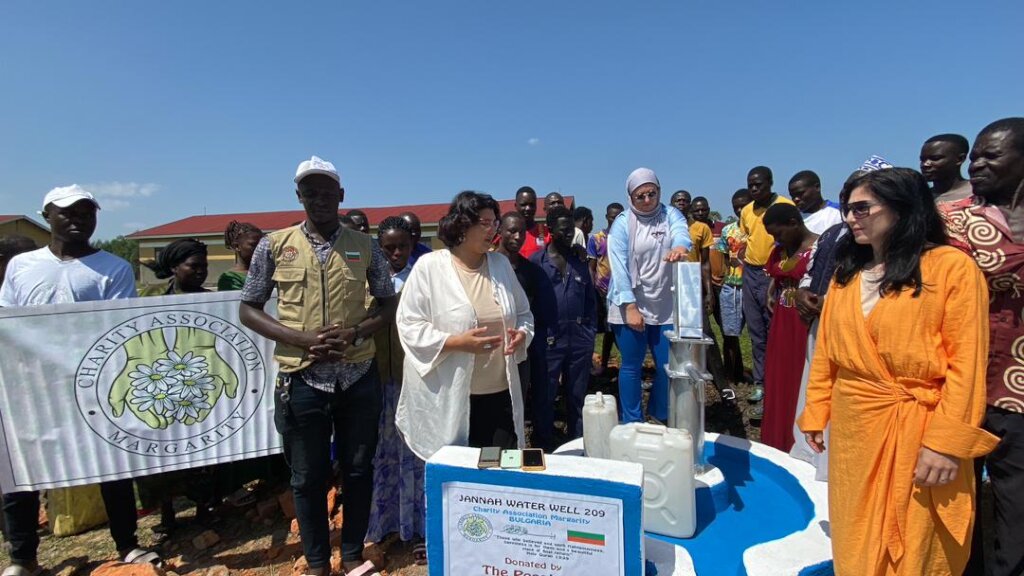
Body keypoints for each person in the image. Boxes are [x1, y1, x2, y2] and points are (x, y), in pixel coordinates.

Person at [798, 167, 998, 576]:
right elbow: (828, 355)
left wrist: (946, 444)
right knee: (855, 528)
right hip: (856, 428)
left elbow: (967, 366)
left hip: (920, 431)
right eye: (848, 210)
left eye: (862, 208)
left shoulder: (951, 269)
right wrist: (816, 410)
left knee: (916, 538)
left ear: (903, 208)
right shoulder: (846, 275)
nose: (851, 218)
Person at [239, 156, 396, 576]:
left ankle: (350, 555)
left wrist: (357, 333)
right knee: (307, 478)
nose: (320, 199)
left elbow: (387, 305)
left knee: (359, 469)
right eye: (311, 192)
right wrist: (302, 339)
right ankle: (315, 562)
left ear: (341, 196)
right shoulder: (274, 245)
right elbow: (248, 309)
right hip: (301, 378)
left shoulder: (366, 246)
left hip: (358, 376)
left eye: (328, 192)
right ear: (299, 196)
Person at [0, 185, 161, 573]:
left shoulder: (114, 268)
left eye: (87, 214)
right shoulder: (23, 267)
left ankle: (128, 545)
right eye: (67, 213)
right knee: (22, 471)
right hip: (32, 388)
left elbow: (121, 327)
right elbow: (8, 322)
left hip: (95, 386)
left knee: (112, 466)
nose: (78, 220)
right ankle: (23, 558)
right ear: (47, 216)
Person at [395, 190, 533, 463]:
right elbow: (409, 324)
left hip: (499, 394)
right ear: (462, 224)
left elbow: (524, 313)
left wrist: (522, 335)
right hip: (455, 398)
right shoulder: (430, 267)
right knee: (459, 476)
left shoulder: (500, 264)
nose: (491, 229)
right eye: (484, 222)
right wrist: (457, 343)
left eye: (494, 222)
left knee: (496, 469)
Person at [948, 118, 1024, 576]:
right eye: (975, 154)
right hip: (960, 381)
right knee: (957, 497)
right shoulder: (951, 219)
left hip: (1018, 388)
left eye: (991, 155)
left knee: (1017, 502)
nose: (977, 164)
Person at [608, 168, 691, 424]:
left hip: (665, 303)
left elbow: (681, 233)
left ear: (659, 191)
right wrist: (630, 306)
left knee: (668, 366)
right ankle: (632, 419)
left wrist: (680, 246)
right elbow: (619, 267)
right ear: (630, 197)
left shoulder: (671, 215)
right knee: (631, 365)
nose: (646, 201)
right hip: (629, 303)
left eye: (651, 194)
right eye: (639, 196)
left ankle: (659, 412)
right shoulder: (622, 223)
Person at [365, 216, 425, 559]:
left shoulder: (420, 280)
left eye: (402, 246)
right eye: (388, 247)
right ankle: (384, 525)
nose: (396, 253)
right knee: (380, 455)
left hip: (412, 383)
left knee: (414, 453)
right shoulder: (368, 282)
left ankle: (417, 525)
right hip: (376, 383)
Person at [530, 206, 597, 450]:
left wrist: (590, 335)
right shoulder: (537, 263)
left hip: (579, 340)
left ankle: (576, 447)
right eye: (564, 230)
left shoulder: (580, 261)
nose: (569, 234)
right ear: (550, 231)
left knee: (576, 397)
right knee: (545, 397)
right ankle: (543, 447)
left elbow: (590, 301)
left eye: (571, 229)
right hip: (548, 340)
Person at [759, 204, 816, 450]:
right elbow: (776, 276)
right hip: (782, 319)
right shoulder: (781, 250)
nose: (776, 240)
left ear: (794, 223)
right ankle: (777, 438)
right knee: (778, 378)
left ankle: (799, 441)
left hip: (804, 323)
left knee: (799, 378)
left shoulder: (818, 248)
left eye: (778, 234)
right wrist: (771, 292)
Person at [739, 166, 795, 407]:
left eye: (758, 185)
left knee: (776, 329)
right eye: (750, 185)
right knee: (756, 332)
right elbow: (746, 239)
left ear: (770, 183)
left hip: (775, 272)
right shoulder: (746, 211)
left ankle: (779, 381)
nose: (754, 189)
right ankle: (760, 383)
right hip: (751, 273)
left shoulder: (784, 206)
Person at [495, 211, 544, 409]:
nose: (518, 237)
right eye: (512, 231)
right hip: (493, 351)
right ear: (499, 230)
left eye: (522, 232)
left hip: (520, 349)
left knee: (517, 405)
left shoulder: (530, 270)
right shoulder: (486, 265)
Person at [687, 196, 732, 400]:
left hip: (693, 285)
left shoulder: (700, 229)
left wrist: (708, 292)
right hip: (670, 289)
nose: (680, 203)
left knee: (706, 333)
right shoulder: (666, 228)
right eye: (676, 200)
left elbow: (705, 264)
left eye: (683, 200)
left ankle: (722, 383)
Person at [714, 189, 751, 386]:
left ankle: (760, 376)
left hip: (753, 287)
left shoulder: (759, 228)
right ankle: (730, 375)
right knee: (730, 333)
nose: (739, 209)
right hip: (731, 286)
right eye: (736, 206)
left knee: (757, 334)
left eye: (743, 205)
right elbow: (722, 255)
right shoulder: (728, 231)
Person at [587, 203, 624, 377]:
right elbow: (592, 266)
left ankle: (624, 364)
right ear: (606, 217)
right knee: (600, 329)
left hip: (621, 291)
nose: (615, 219)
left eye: (619, 216)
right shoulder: (597, 239)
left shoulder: (627, 237)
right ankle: (598, 365)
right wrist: (593, 288)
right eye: (612, 216)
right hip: (602, 290)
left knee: (616, 330)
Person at [140, 238, 210, 295]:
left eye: (204, 266)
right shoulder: (150, 294)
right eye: (194, 266)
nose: (201, 271)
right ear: (174, 267)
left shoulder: (212, 299)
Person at [920, 133, 972, 206]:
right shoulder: (919, 199)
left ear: (960, 159)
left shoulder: (980, 192)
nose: (925, 164)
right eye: (922, 160)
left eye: (935, 158)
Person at [788, 170, 842, 235]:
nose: (795, 199)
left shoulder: (840, 212)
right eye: (792, 196)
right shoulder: (793, 221)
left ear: (817, 187)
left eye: (800, 193)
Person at [218, 221, 264, 290]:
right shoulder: (230, 279)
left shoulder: (266, 272)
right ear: (236, 246)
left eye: (262, 244)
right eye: (254, 245)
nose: (260, 248)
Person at [513, 186, 546, 258]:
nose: (528, 208)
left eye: (531, 205)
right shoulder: (507, 235)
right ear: (516, 206)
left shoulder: (546, 233)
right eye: (523, 205)